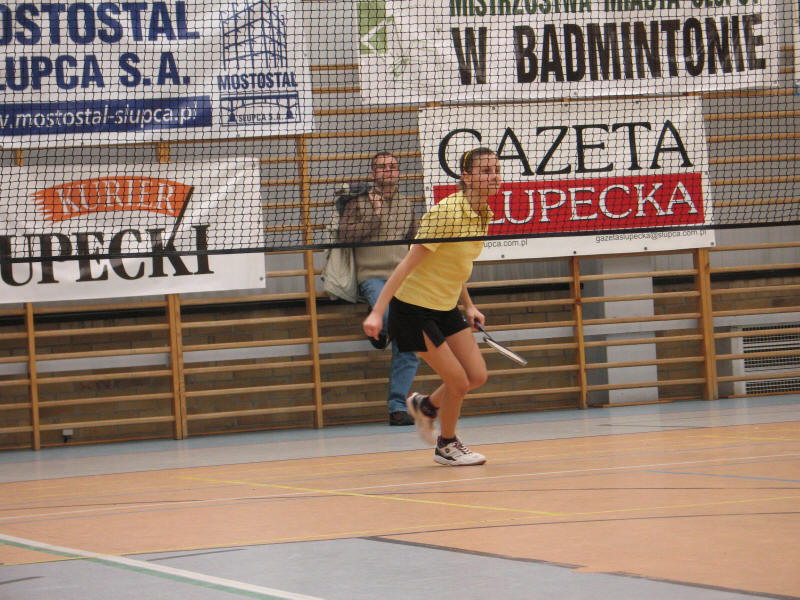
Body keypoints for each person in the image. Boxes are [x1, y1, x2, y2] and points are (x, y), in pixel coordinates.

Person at [362, 147, 500, 466]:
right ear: (466, 177)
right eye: (485, 171)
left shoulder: (484, 213)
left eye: (496, 170)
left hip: (444, 306)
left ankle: (425, 406)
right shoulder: (446, 213)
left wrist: (469, 306)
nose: (494, 176)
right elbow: (406, 265)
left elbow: (455, 264)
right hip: (412, 309)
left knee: (476, 375)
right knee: (458, 382)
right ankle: (446, 445)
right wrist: (377, 311)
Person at [338, 152, 420, 426]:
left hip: (403, 279)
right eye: (382, 167)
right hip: (371, 276)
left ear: (399, 173)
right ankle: (378, 327)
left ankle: (397, 408)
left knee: (409, 344)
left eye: (393, 167)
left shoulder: (407, 204)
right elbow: (344, 236)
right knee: (384, 317)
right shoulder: (357, 202)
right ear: (373, 174)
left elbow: (415, 242)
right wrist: (374, 216)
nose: (388, 171)